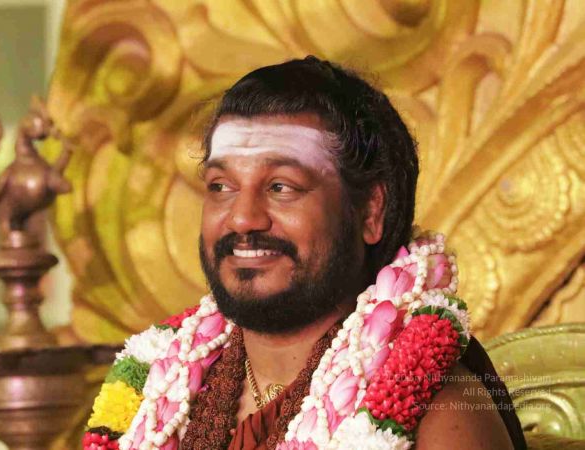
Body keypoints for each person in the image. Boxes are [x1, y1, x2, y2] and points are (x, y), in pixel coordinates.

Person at [83, 56, 527, 450]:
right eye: (221, 186)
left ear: (371, 211)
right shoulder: (160, 390)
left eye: (281, 187)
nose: (242, 219)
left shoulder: (435, 406)